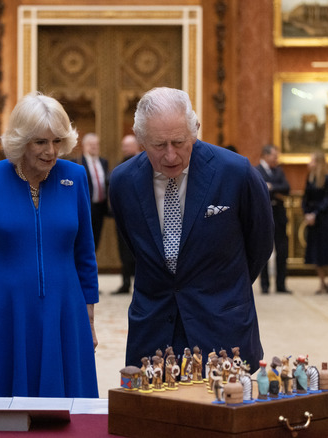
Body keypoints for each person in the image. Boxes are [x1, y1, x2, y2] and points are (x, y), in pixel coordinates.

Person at [109, 87, 273, 372]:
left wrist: (227, 289)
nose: (171, 155)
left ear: (195, 130)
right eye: (159, 145)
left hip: (222, 325)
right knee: (156, 414)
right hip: (153, 328)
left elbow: (260, 242)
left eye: (179, 142)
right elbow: (134, 244)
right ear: (141, 140)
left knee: (224, 414)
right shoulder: (123, 182)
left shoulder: (236, 172)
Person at [0, 92, 99, 398]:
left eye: (57, 141)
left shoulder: (75, 177)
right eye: (40, 142)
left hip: (64, 309)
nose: (51, 151)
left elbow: (85, 254)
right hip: (4, 308)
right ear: (21, 140)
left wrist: (89, 319)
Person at [255, 144, 291, 294]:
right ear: (266, 155)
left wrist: (271, 188)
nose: (276, 159)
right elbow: (259, 188)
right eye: (274, 156)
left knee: (282, 250)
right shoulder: (256, 170)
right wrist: (271, 189)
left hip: (279, 215)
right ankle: (264, 285)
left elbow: (286, 188)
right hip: (264, 215)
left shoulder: (279, 170)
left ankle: (281, 285)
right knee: (264, 250)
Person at [302, 150, 328, 294]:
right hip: (313, 220)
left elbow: (327, 200)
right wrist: (307, 213)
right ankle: (322, 283)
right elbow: (305, 198)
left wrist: (315, 214)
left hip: (325, 219)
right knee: (316, 253)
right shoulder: (310, 177)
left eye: (311, 160)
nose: (309, 163)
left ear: (318, 162)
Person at [113, 134, 141, 294]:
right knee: (124, 252)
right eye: (123, 146)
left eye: (127, 146)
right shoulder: (121, 165)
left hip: (142, 216)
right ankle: (125, 283)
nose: (124, 149)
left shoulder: (147, 162)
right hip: (125, 214)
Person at [78, 133, 109, 250]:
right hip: (85, 208)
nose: (94, 147)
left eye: (96, 145)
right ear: (84, 146)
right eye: (91, 145)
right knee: (83, 242)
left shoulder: (103, 162)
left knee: (96, 242)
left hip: (100, 208)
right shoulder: (78, 162)